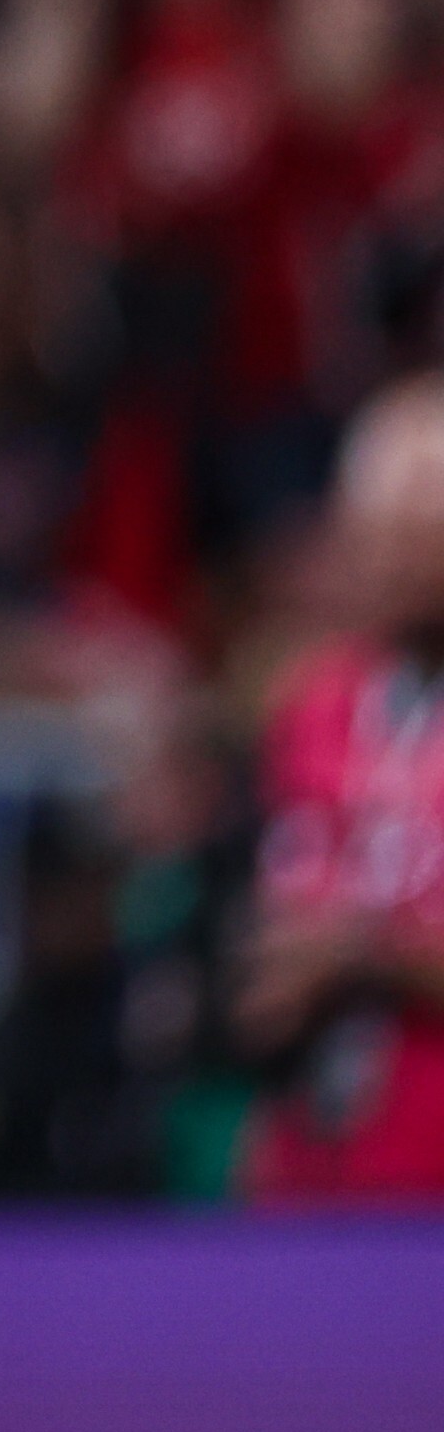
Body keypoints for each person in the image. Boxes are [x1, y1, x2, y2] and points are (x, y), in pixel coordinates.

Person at [234, 378, 444, 1200]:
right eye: (373, 530)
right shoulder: (315, 704)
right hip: (320, 1159)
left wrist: (373, 959)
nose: (390, 560)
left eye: (417, 533)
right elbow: (289, 903)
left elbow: (348, 947)